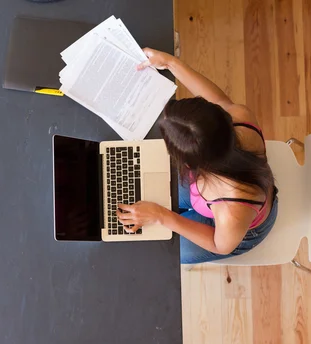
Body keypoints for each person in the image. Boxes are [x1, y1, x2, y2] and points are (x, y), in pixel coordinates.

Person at [116, 48, 278, 264]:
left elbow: (220, 245)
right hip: (216, 198)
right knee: (150, 194)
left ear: (190, 164)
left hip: (234, 231)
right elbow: (219, 99)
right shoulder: (238, 117)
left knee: (167, 250)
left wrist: (162, 215)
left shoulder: (232, 209)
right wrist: (171, 63)